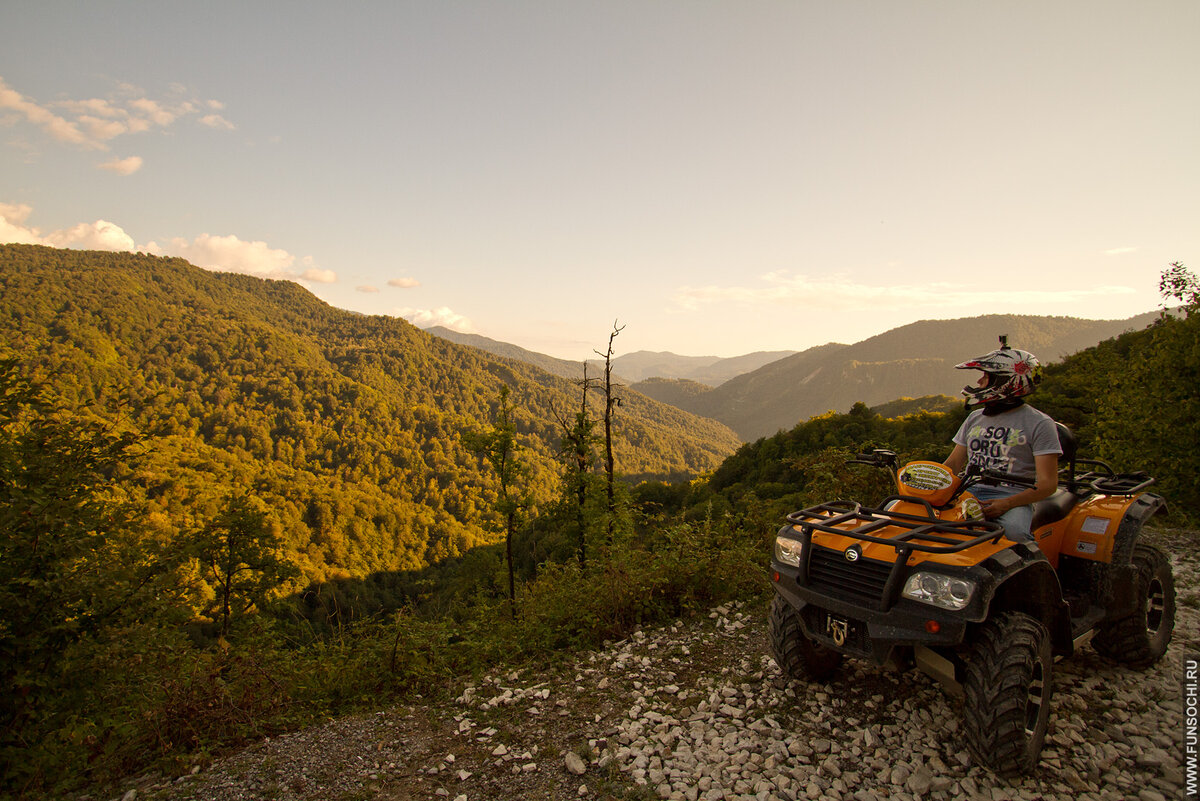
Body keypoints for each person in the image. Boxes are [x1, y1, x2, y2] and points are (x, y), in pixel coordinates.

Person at [943, 338, 1062, 542]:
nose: (979, 381)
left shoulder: (1039, 423)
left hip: (1013, 497)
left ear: (1006, 382)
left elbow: (1048, 484)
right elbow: (953, 464)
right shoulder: (975, 417)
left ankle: (1033, 570)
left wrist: (1007, 503)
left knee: (1014, 534)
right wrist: (927, 480)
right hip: (968, 490)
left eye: (986, 376)